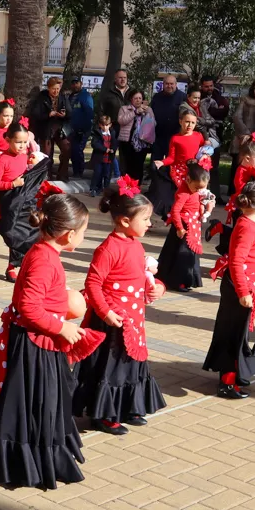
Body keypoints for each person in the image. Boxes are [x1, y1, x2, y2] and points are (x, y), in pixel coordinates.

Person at [0, 192, 90, 490]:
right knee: (33, 403)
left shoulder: (44, 254)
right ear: (69, 234)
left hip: (42, 342)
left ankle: (39, 453)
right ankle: (22, 462)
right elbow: (29, 307)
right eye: (84, 233)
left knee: (44, 401)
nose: (84, 239)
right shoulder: (43, 261)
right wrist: (60, 327)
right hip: (35, 345)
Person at [73, 177, 165, 434]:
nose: (150, 223)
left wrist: (156, 287)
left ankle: (127, 406)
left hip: (132, 318)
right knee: (111, 367)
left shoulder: (134, 244)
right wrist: (105, 311)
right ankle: (103, 414)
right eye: (145, 219)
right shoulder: (109, 248)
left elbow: (139, 276)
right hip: (111, 319)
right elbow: (93, 283)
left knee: (131, 362)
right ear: (125, 221)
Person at [203, 181, 255, 398]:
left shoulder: (249, 225)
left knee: (238, 333)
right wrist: (243, 292)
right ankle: (227, 382)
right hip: (237, 289)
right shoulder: (247, 227)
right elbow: (236, 262)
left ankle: (234, 375)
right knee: (232, 334)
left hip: (240, 287)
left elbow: (250, 262)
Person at [0, 123, 49, 281]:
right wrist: (12, 184)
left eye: (25, 142)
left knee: (30, 234)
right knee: (13, 234)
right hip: (10, 204)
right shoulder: (3, 159)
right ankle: (15, 266)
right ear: (8, 140)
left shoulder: (25, 157)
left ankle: (16, 267)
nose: (22, 146)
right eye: (18, 142)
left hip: (26, 205)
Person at [157, 157, 211, 292]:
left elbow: (200, 200)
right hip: (183, 226)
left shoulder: (195, 190)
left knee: (189, 255)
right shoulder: (183, 193)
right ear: (188, 180)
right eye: (197, 187)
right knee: (182, 255)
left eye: (202, 188)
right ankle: (178, 281)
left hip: (193, 225)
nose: (199, 190)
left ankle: (188, 279)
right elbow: (175, 211)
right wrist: (180, 228)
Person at [147, 105, 205, 217]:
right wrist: (162, 162)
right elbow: (171, 158)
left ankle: (191, 216)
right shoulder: (175, 138)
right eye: (187, 122)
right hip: (178, 172)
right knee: (180, 196)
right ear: (180, 121)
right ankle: (175, 216)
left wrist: (205, 156)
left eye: (193, 123)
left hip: (193, 171)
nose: (189, 125)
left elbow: (203, 151)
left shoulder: (198, 136)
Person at [27, 76, 73, 180]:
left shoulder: (63, 97)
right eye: (53, 89)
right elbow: (35, 114)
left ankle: (62, 174)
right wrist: (48, 114)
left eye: (58, 88)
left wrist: (64, 114)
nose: (56, 91)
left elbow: (70, 112)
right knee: (47, 154)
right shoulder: (42, 97)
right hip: (46, 129)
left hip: (59, 129)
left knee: (66, 149)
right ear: (48, 88)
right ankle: (47, 175)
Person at [116, 91, 156, 184]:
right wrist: (135, 112)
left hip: (142, 143)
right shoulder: (124, 109)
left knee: (138, 166)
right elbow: (121, 121)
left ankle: (136, 187)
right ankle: (126, 188)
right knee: (127, 166)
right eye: (135, 98)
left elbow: (153, 124)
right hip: (127, 142)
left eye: (140, 98)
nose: (138, 100)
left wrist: (148, 113)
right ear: (131, 99)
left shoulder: (147, 109)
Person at [148, 73, 183, 160]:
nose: (169, 86)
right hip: (158, 136)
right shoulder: (157, 97)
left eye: (171, 84)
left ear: (176, 84)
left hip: (175, 135)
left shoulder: (183, 97)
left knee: (171, 163)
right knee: (155, 164)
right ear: (163, 84)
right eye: (167, 84)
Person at [66, 77, 95, 176]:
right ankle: (75, 171)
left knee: (78, 150)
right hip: (71, 129)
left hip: (82, 129)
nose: (75, 85)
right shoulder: (70, 97)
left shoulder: (85, 96)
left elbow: (89, 113)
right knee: (73, 151)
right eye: (73, 83)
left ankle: (79, 171)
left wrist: (84, 128)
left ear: (81, 83)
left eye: (77, 83)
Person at [87, 114, 117, 194]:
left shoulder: (112, 133)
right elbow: (94, 144)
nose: (105, 127)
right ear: (100, 125)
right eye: (103, 125)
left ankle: (106, 189)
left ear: (110, 125)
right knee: (98, 173)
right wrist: (104, 149)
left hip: (109, 159)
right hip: (99, 158)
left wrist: (113, 149)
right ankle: (94, 188)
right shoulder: (97, 133)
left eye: (107, 125)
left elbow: (115, 143)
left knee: (107, 174)